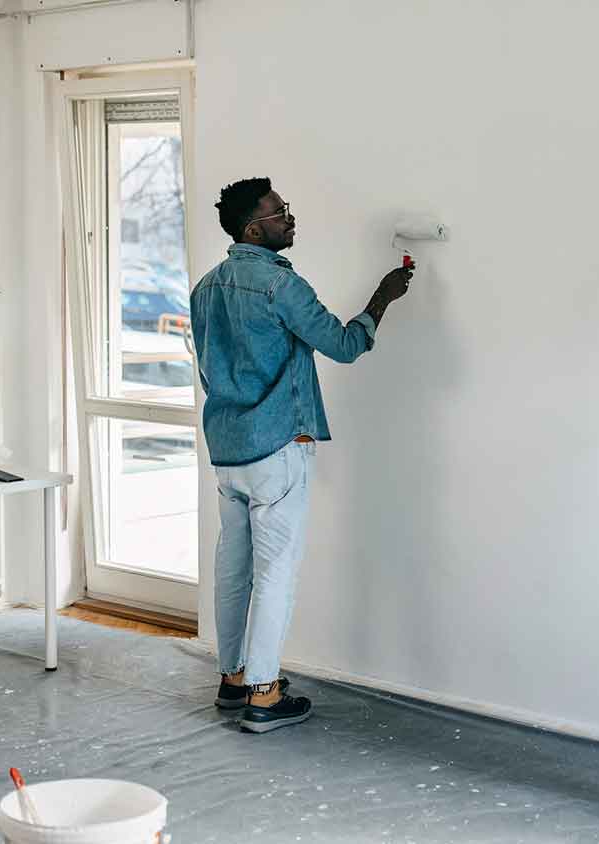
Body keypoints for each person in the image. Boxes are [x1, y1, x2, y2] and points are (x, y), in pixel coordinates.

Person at [191, 177, 414, 734]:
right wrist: (382, 299)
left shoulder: (206, 288)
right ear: (252, 229)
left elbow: (207, 370)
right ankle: (265, 695)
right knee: (275, 574)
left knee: (233, 567)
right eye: (278, 212)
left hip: (228, 449)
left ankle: (234, 679)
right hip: (276, 449)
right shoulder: (277, 285)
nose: (289, 218)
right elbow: (342, 344)